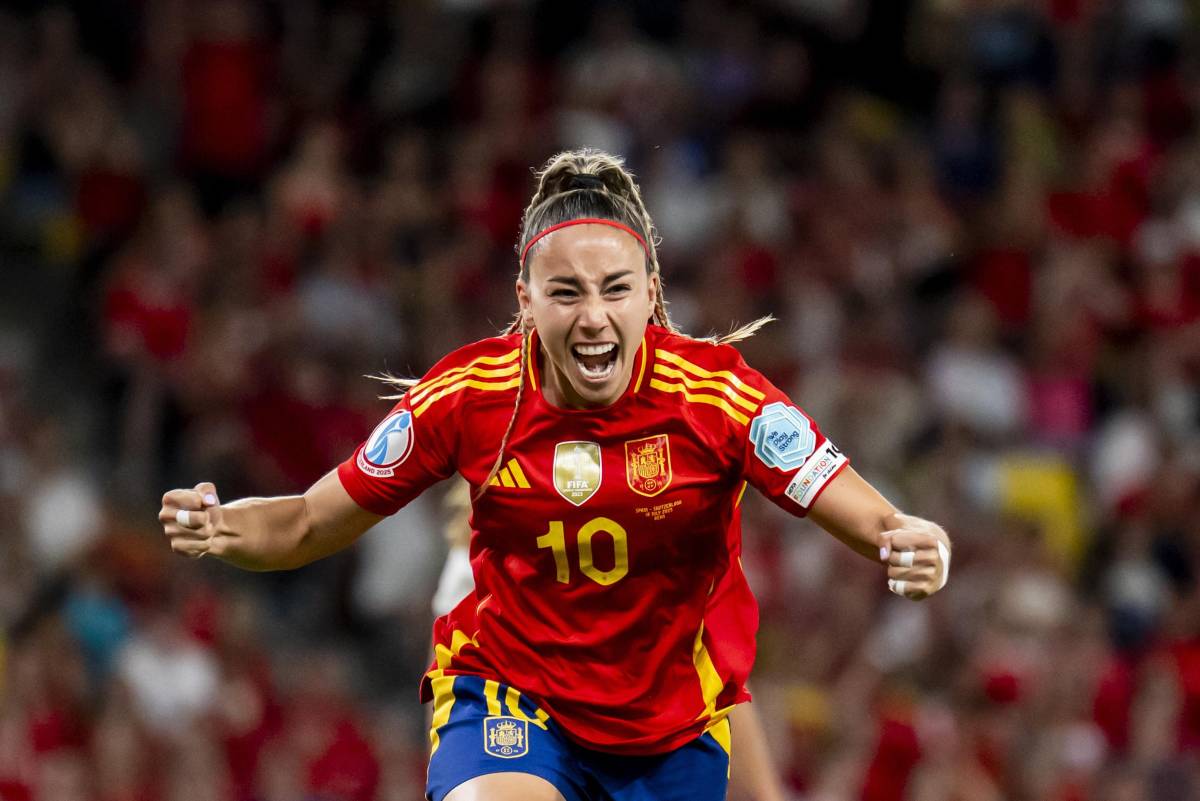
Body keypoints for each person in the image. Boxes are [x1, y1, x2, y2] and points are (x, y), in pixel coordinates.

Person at [159, 148, 952, 801]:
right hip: (512, 695)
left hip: (670, 729)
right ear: (527, 299)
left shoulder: (716, 397)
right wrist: (220, 525)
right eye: (565, 292)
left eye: (615, 289)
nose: (593, 317)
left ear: (651, 294)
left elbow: (855, 506)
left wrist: (913, 539)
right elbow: (307, 519)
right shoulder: (469, 397)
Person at [431, 479, 791, 801]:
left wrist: (766, 794)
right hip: (531, 723)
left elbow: (711, 676)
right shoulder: (479, 566)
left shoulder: (656, 537)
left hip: (647, 736)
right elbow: (453, 687)